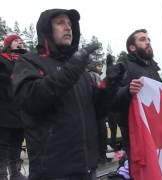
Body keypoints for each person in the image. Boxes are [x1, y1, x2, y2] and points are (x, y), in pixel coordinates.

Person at [12, 9, 120, 180]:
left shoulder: (79, 70)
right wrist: (73, 67)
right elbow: (32, 100)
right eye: (61, 23)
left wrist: (110, 85)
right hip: (52, 171)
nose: (68, 27)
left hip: (86, 169)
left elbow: (97, 112)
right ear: (47, 29)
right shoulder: (29, 61)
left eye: (70, 24)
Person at [111, 29, 162, 178]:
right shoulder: (123, 66)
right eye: (142, 39)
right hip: (136, 136)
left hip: (156, 134)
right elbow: (111, 100)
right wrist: (127, 90)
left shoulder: (154, 68)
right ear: (132, 47)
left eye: (148, 39)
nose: (147, 42)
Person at [0, 34, 28, 180]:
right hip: (4, 109)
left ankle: (15, 172)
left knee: (16, 142)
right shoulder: (1, 59)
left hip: (20, 110)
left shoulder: (24, 60)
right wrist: (11, 77)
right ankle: (2, 174)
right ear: (8, 44)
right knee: (2, 143)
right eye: (16, 41)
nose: (20, 42)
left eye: (21, 41)